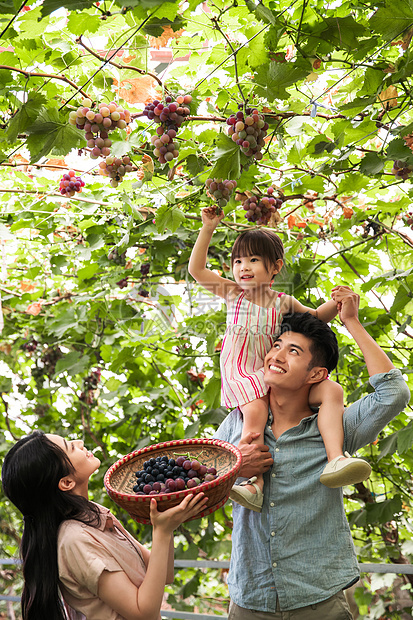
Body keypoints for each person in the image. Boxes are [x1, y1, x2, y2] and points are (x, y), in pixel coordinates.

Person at [213, 286, 410, 619]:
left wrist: (352, 323)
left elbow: (394, 393)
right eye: (276, 346)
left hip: (319, 599)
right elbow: (202, 485)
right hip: (250, 600)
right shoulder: (238, 423)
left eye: (293, 351)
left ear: (316, 374)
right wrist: (235, 467)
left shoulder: (335, 429)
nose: (275, 356)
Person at [189, 208, 370, 511]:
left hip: (270, 373)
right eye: (238, 261)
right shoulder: (234, 294)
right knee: (255, 422)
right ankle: (253, 485)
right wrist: (207, 228)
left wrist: (336, 302)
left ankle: (336, 458)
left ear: (275, 267)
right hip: (244, 372)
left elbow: (315, 317)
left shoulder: (283, 302)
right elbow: (197, 270)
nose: (243, 267)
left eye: (253, 260)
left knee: (330, 390)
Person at [1, 431, 208, 620]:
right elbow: (143, 614)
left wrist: (167, 523)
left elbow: (165, 575)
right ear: (66, 483)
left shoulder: (95, 514)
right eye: (71, 447)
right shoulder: (75, 540)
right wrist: (161, 532)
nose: (79, 442)